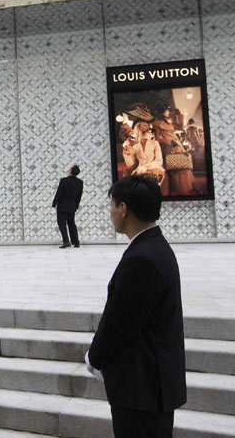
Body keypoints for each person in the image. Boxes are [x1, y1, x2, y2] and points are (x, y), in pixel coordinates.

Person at [86, 175, 186, 437]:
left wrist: (94, 358)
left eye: (112, 205)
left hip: (142, 390)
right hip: (150, 386)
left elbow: (120, 322)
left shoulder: (142, 258)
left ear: (123, 208)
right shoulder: (155, 247)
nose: (110, 212)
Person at [52, 165, 83, 248]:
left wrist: (54, 203)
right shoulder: (80, 182)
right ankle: (76, 241)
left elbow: (59, 193)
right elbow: (79, 196)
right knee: (71, 223)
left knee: (62, 223)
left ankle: (66, 241)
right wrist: (76, 206)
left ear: (71, 171)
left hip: (62, 206)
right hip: (72, 206)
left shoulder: (64, 180)